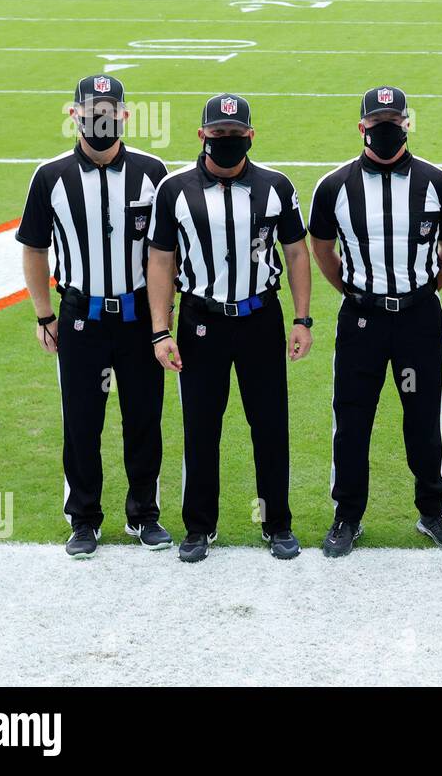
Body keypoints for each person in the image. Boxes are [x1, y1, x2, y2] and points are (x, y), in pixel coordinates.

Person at [146, 94, 313, 563]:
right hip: (202, 319)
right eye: (218, 134)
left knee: (269, 424)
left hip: (261, 317)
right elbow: (161, 260)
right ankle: (200, 527)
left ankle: (276, 522)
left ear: (251, 136)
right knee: (201, 426)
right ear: (201, 136)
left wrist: (301, 319)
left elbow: (297, 252)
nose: (227, 141)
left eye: (235, 134)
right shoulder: (175, 189)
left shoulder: (276, 186)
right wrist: (161, 329)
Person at [17, 75, 171, 559]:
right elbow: (34, 248)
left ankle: (144, 514)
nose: (99, 120)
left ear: (124, 116)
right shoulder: (50, 176)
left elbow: (165, 252)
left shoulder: (153, 172)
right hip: (81, 316)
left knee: (143, 419)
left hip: (139, 318)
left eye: (109, 111)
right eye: (90, 111)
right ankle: (84, 519)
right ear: (74, 114)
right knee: (82, 421)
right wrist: (44, 315)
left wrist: (163, 322)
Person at [308, 87, 442, 556]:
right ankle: (347, 515)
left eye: (393, 120)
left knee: (422, 416)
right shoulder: (334, 185)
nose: (385, 128)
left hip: (418, 316)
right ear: (362, 127)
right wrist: (355, 293)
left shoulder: (438, 182)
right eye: (376, 122)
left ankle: (432, 510)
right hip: (361, 319)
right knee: (352, 417)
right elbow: (321, 246)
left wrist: (426, 289)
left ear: (407, 123)